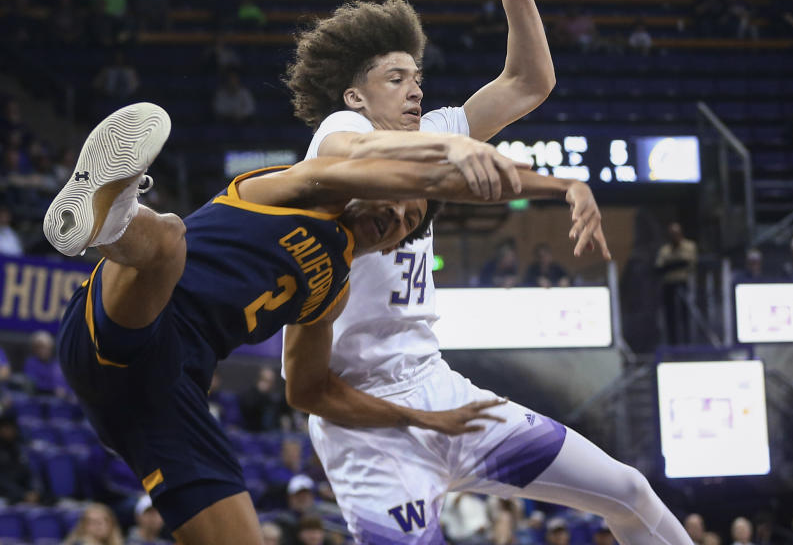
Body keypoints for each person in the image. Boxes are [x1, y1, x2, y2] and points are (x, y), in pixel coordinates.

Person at [281, 0, 692, 545]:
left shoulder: (435, 129)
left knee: (630, 493)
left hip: (435, 383)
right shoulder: (344, 128)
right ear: (357, 94)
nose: (416, 89)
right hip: (362, 416)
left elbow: (529, 82)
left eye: (418, 76)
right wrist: (489, 161)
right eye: (397, 78)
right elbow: (347, 153)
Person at [45, 102, 608, 545]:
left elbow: (309, 390)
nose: (395, 215)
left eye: (407, 222)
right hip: (130, 325)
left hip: (168, 397)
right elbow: (398, 162)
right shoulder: (298, 188)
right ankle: (109, 217)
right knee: (168, 239)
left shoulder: (330, 296)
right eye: (393, 200)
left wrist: (422, 418)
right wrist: (558, 186)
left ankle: (114, 216)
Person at [655, 222, 697, 345]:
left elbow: (688, 263)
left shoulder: (690, 246)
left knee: (685, 316)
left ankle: (688, 343)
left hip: (683, 283)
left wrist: (670, 265)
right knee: (670, 317)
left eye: (676, 233)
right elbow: (659, 268)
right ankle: (673, 345)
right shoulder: (665, 249)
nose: (674, 236)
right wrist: (676, 264)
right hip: (669, 285)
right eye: (672, 234)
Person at [0, 409, 41, 504]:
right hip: (6, 495)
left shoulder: (17, 448)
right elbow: (2, 480)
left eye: (12, 428)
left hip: (24, 495)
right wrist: (22, 494)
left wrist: (34, 491)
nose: (10, 431)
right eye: (6, 428)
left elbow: (28, 473)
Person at [238, 365, 287, 432]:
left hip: (272, 433)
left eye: (271, 382)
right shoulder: (249, 395)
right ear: (259, 380)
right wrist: (261, 393)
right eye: (266, 380)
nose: (269, 384)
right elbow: (248, 411)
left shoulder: (273, 398)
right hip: (252, 431)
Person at [23, 330, 69, 396]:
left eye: (47, 347)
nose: (44, 350)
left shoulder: (58, 364)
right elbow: (32, 384)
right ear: (34, 348)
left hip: (64, 400)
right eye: (40, 347)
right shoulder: (31, 363)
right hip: (41, 399)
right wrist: (53, 390)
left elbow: (67, 384)